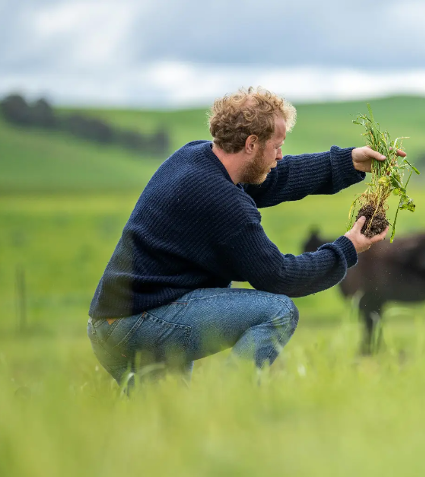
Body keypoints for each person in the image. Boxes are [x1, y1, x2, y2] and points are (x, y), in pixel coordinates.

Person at [87, 86, 400, 386]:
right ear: (251, 143)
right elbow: (280, 277)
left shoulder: (197, 158)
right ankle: (232, 400)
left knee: (166, 423)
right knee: (279, 311)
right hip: (140, 323)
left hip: (115, 322)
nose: (280, 155)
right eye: (276, 146)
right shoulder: (223, 201)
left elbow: (279, 177)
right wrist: (348, 248)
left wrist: (349, 162)